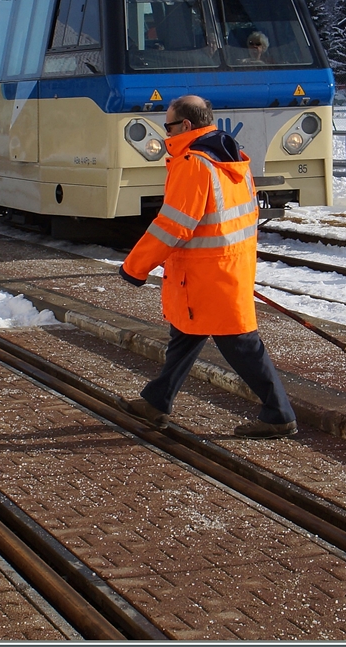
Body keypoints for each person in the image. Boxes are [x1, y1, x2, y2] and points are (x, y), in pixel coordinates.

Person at [118, 94, 297, 438]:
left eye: (168, 127)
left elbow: (172, 225)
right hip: (228, 267)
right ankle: (157, 402)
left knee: (240, 344)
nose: (166, 135)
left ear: (186, 125)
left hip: (205, 275)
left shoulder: (193, 163)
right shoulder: (233, 158)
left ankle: (279, 413)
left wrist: (135, 267)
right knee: (186, 334)